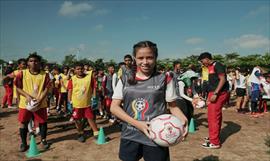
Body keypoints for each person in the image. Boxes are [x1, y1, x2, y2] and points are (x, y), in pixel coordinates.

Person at [111, 40, 188, 161]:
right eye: (140, 58)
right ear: (134, 59)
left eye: (150, 57)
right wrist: (138, 124)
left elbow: (173, 107)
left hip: (156, 137)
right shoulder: (125, 78)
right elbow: (114, 107)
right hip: (130, 135)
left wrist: (183, 119)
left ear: (156, 58)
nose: (145, 62)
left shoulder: (165, 79)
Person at [15, 52, 50, 152]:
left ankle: (43, 140)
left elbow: (47, 89)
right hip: (25, 104)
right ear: (27, 63)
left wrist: (40, 99)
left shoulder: (45, 75)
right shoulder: (21, 73)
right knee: (23, 122)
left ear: (39, 63)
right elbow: (18, 87)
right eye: (31, 61)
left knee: (43, 122)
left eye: (36, 61)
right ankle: (24, 143)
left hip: (41, 103)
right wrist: (27, 96)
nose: (33, 63)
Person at [198, 52, 229, 149]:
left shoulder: (217, 65)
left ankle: (215, 142)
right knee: (214, 116)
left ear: (207, 58)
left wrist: (215, 93)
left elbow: (222, 79)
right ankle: (213, 137)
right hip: (213, 92)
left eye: (202, 61)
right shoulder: (210, 67)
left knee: (213, 117)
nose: (202, 63)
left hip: (218, 93)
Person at [67, 63, 99, 142]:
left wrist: (94, 98)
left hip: (87, 103)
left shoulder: (89, 77)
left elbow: (94, 87)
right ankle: (80, 133)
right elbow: (70, 91)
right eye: (78, 69)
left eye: (81, 69)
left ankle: (96, 132)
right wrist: (69, 102)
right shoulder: (72, 79)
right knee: (77, 119)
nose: (80, 70)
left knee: (90, 118)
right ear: (74, 70)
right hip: (76, 104)